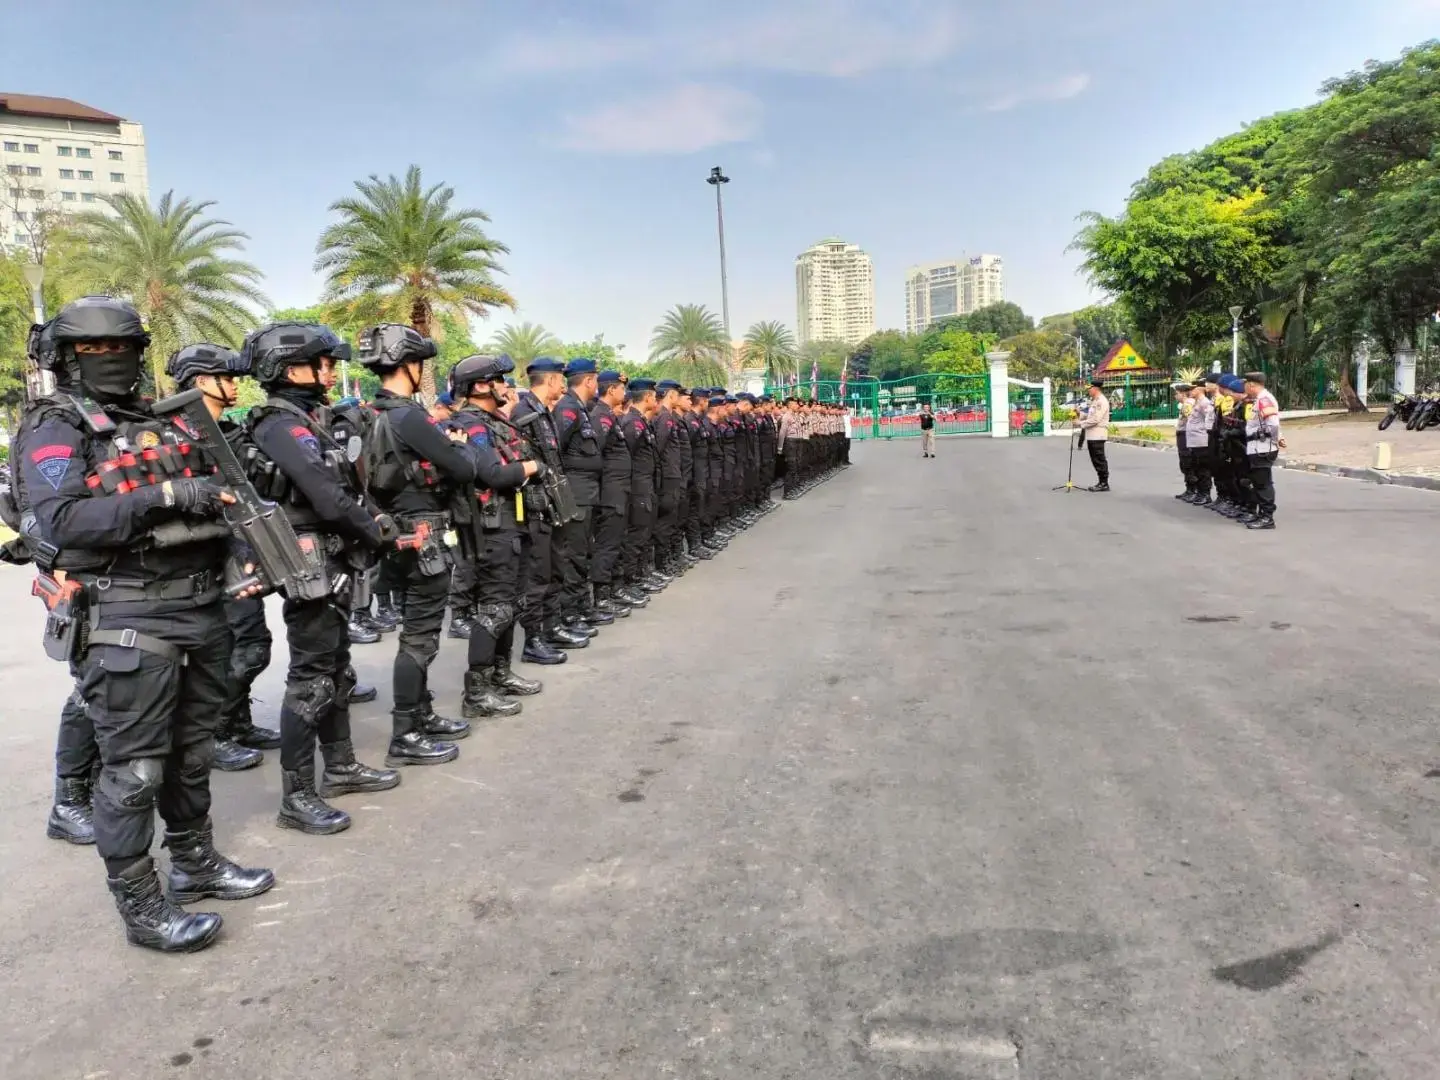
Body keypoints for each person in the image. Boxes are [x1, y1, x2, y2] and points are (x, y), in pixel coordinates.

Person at [23, 295, 274, 952]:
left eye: (122, 349)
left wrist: (243, 555)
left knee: (193, 756)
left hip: (201, 608)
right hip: (127, 611)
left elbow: (224, 501)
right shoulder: (57, 427)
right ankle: (140, 904)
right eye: (92, 350)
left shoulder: (166, 421)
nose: (110, 360)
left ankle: (196, 864)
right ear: (64, 358)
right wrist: (165, 496)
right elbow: (63, 520)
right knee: (135, 770)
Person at [241, 321, 403, 836]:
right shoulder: (277, 424)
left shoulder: (308, 418)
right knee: (310, 680)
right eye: (324, 362)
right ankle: (298, 795)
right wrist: (377, 532)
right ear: (292, 368)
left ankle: (341, 765)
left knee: (336, 669)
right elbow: (325, 496)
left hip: (334, 558)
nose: (332, 371)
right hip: (308, 563)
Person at [356, 323, 477, 751]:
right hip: (423, 534)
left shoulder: (376, 414)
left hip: (399, 531)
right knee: (420, 635)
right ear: (409, 365)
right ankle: (406, 730)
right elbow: (464, 469)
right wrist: (460, 445)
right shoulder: (409, 416)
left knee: (416, 629)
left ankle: (420, 714)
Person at [164, 343, 280, 774]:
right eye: (226, 378)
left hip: (237, 553)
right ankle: (213, 732)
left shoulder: (225, 434)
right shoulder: (173, 438)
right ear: (199, 383)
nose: (233, 386)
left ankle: (235, 721)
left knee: (250, 645)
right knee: (231, 651)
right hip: (199, 562)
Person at [446, 354, 544, 716]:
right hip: (490, 526)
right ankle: (477, 693)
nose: (507, 386)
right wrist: (531, 467)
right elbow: (493, 474)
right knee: (494, 609)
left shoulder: (494, 420)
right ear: (481, 386)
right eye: (500, 379)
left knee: (510, 604)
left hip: (510, 521)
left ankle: (501, 674)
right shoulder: (471, 425)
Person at [511, 356, 588, 656]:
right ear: (552, 380)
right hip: (535, 504)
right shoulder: (524, 413)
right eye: (560, 378)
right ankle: (533, 639)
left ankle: (552, 626)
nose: (562, 385)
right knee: (538, 574)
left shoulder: (542, 412)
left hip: (554, 502)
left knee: (557, 566)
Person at [552, 358, 605, 633]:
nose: (596, 384)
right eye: (595, 379)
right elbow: (554, 450)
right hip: (574, 494)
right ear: (588, 381)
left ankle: (582, 607)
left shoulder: (580, 409)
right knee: (573, 555)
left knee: (583, 552)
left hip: (587, 492)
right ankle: (570, 613)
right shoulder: (568, 409)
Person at [589, 370, 639, 610]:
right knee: (607, 544)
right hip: (610, 491)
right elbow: (595, 454)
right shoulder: (601, 417)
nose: (625, 393)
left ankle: (615, 588)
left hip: (620, 489)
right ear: (611, 390)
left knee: (617, 540)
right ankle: (602, 595)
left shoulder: (610, 416)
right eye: (621, 388)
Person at [619, 378, 661, 600]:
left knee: (645, 531)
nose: (656, 400)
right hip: (637, 486)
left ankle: (641, 574)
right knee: (636, 535)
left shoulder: (641, 421)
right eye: (654, 396)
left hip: (646, 484)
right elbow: (627, 458)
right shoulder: (632, 424)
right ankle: (630, 580)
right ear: (646, 397)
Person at [1242, 371, 1281, 530]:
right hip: (1257, 447)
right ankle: (1262, 514)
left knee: (1263, 483)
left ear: (1251, 385)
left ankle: (1267, 517)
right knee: (1258, 483)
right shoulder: (1259, 399)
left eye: (1245, 384)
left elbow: (1273, 424)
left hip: (1262, 447)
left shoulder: (1264, 399)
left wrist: (1265, 437)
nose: (1244, 387)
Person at [1182, 381, 1214, 504]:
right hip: (1194, 442)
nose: (1190, 391)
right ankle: (1200, 493)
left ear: (1200, 389)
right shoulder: (1196, 402)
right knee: (1197, 468)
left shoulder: (1205, 402)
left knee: (1203, 469)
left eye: (1193, 389)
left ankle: (1205, 494)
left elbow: (1209, 419)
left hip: (1201, 441)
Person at [1078, 379, 1110, 491]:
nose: (1088, 391)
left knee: (1099, 459)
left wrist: (1080, 423)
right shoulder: (1095, 401)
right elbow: (1090, 415)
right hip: (1092, 435)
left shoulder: (1101, 401)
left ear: (1095, 388)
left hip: (1098, 434)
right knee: (1095, 459)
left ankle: (1104, 483)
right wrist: (1079, 414)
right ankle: (1101, 482)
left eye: (1089, 389)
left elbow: (1096, 419)